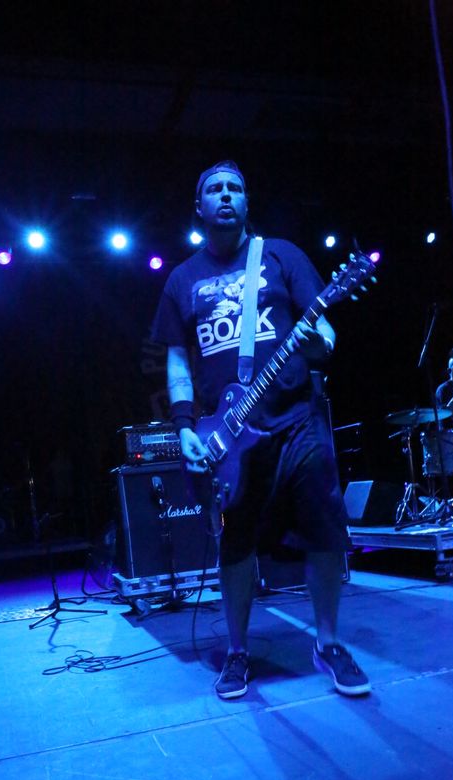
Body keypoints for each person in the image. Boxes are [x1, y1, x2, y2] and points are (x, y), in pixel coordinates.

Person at [151, 160, 370, 700]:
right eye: (215, 189)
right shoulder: (182, 279)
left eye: (236, 188)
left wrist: (319, 342)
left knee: (325, 531)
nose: (226, 195)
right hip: (228, 435)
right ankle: (237, 652)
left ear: (247, 202)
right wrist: (184, 426)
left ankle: (328, 643)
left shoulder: (281, 255)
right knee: (236, 544)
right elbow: (177, 360)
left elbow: (323, 329)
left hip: (298, 420)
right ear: (199, 207)